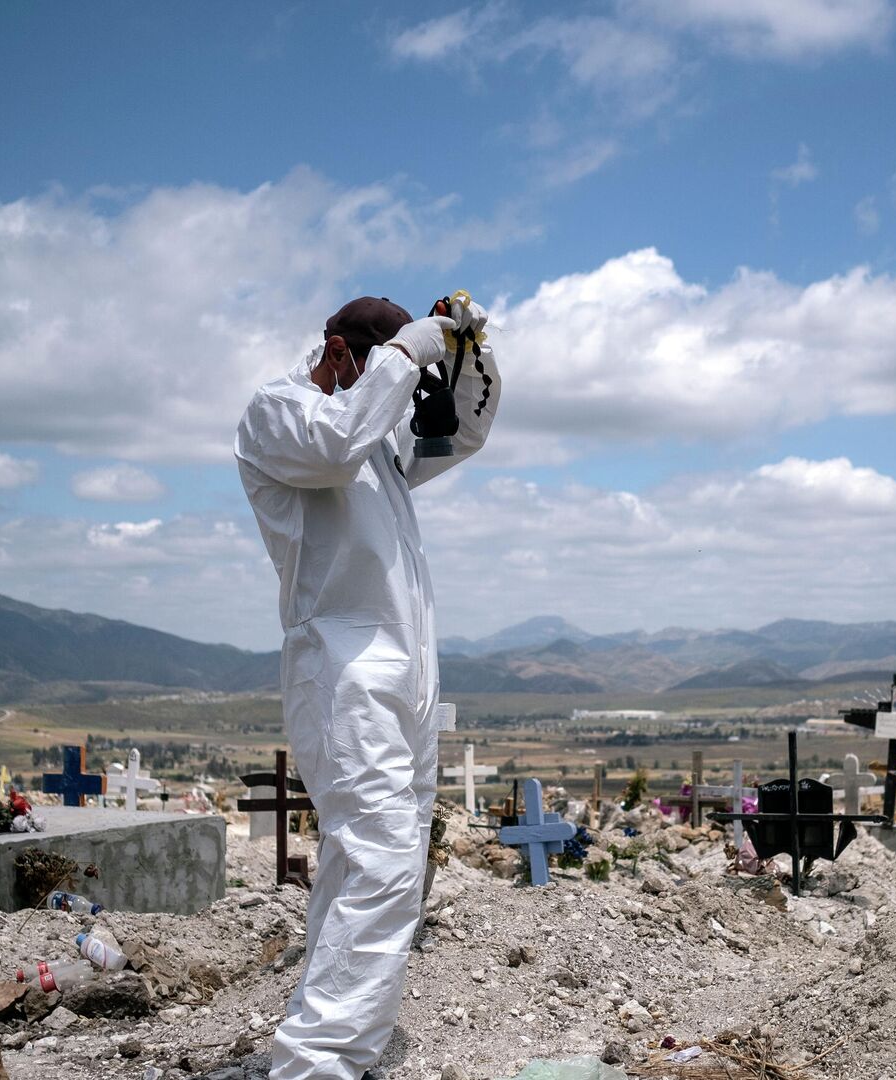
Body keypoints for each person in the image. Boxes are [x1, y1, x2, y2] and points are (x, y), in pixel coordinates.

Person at [234, 295, 499, 1079]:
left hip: (403, 674)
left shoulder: (370, 434)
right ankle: (318, 1065)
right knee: (382, 859)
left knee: (373, 861)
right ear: (340, 354)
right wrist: (403, 356)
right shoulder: (279, 414)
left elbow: (458, 439)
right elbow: (339, 440)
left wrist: (467, 354)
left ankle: (339, 1038)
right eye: (381, 366)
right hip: (343, 672)